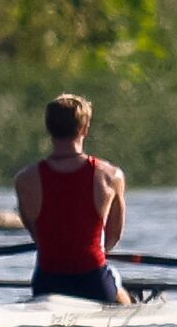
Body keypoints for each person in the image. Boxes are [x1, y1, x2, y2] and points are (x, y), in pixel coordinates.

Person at [13, 93, 131, 304]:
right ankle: (128, 301)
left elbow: (38, 237)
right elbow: (112, 239)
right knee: (121, 291)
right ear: (85, 129)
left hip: (47, 283)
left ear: (49, 129)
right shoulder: (111, 176)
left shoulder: (25, 180)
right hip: (94, 282)